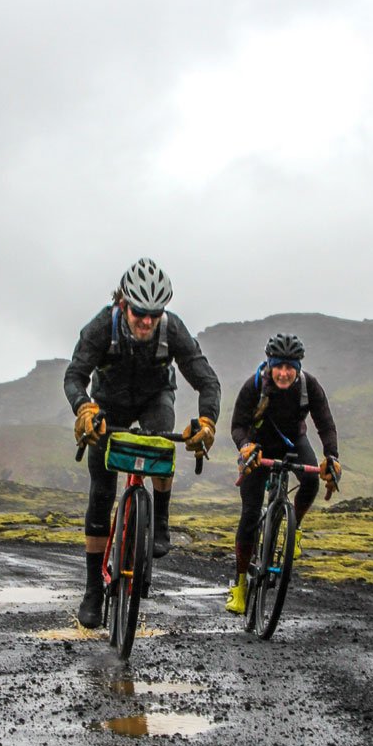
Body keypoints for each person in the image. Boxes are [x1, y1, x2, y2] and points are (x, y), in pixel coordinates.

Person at [64, 258, 221, 628]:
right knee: (101, 494)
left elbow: (207, 382)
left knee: (161, 447)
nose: (147, 321)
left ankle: (161, 518)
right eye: (139, 313)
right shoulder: (101, 327)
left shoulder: (173, 330)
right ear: (123, 304)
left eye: (154, 313)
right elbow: (74, 375)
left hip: (154, 399)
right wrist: (84, 408)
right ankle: (92, 590)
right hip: (108, 406)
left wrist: (207, 421)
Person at [226, 332, 340, 614]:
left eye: (291, 367)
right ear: (270, 364)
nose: (285, 372)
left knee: (311, 480)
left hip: (293, 442)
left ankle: (295, 529)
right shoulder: (254, 386)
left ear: (298, 368)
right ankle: (239, 586)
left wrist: (332, 457)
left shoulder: (308, 385)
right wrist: (245, 446)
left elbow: (325, 423)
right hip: (258, 448)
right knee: (250, 514)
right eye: (280, 366)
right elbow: (238, 425)